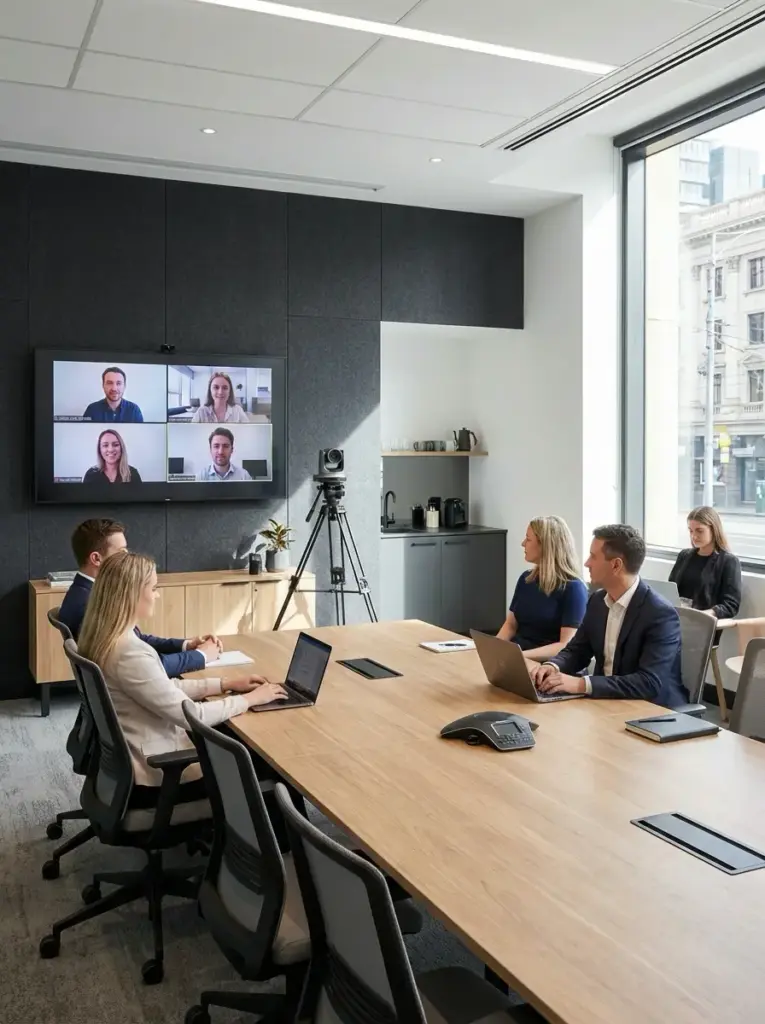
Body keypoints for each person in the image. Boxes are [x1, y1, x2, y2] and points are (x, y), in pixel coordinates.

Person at [78, 550, 287, 803]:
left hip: (129, 767)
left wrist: (225, 684)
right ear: (132, 594)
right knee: (271, 764)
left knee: (234, 738)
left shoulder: (105, 638)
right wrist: (251, 699)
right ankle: (277, 842)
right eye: (153, 588)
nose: (157, 594)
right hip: (157, 778)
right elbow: (193, 716)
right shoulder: (129, 652)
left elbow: (162, 688)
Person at [532, 524, 687, 707]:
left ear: (616, 565)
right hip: (605, 702)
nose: (587, 563)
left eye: (593, 556)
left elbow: (648, 682)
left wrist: (581, 684)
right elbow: (577, 650)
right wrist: (552, 666)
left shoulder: (660, 614)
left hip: (651, 710)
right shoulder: (597, 601)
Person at [58, 518, 219, 676]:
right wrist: (202, 656)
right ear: (96, 559)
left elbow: (138, 640)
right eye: (121, 551)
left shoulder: (84, 593)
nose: (128, 556)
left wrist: (186, 645)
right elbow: (144, 667)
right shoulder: (90, 604)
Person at [497, 516, 587, 660]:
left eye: (528, 539)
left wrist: (519, 656)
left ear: (545, 545)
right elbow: (510, 625)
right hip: (517, 659)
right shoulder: (526, 579)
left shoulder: (573, 588)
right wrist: (493, 649)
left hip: (547, 666)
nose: (523, 543)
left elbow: (565, 644)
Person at [669, 505, 741, 619]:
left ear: (714, 530)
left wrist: (705, 614)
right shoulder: (684, 556)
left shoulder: (728, 562)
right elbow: (670, 590)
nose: (694, 536)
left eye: (700, 531)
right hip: (677, 618)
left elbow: (731, 605)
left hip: (704, 622)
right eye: (691, 531)